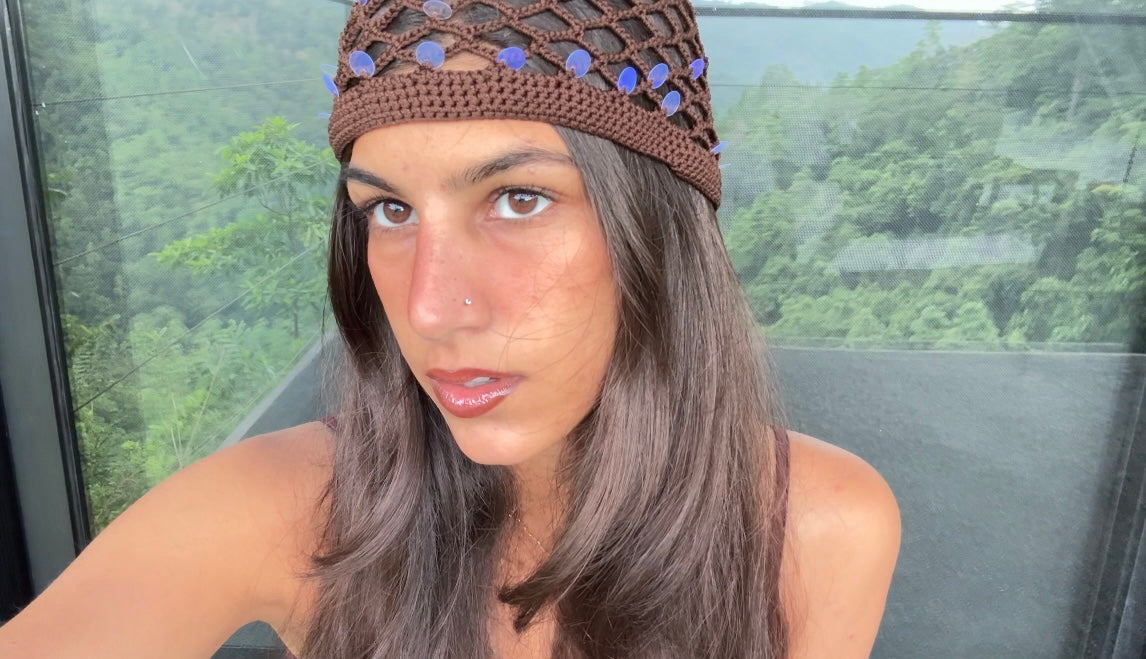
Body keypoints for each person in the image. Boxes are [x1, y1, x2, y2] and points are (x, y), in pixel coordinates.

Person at [0, 0, 900, 656]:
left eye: (519, 198)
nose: (429, 307)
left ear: (658, 233)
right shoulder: (284, 509)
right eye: (389, 211)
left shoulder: (817, 527)